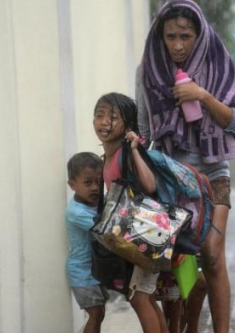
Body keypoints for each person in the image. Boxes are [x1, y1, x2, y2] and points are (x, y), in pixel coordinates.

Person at [135, 0, 235, 333]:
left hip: (213, 174)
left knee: (212, 255)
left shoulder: (217, 64)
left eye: (186, 36)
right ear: (160, 37)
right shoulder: (148, 71)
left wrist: (202, 96)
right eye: (171, 37)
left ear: (199, 35)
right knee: (175, 263)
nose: (178, 45)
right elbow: (144, 131)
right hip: (171, 178)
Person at [93, 92, 169, 333]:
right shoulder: (108, 156)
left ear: (128, 124)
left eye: (113, 117)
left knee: (139, 297)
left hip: (147, 234)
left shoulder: (126, 152)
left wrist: (135, 150)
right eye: (99, 115)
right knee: (144, 296)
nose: (104, 122)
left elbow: (150, 186)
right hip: (136, 237)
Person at [65, 152, 109, 333]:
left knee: (100, 313)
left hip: (95, 270)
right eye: (88, 182)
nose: (95, 188)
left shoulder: (95, 203)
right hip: (82, 272)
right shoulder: (77, 212)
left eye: (99, 182)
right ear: (72, 185)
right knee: (96, 313)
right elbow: (104, 231)